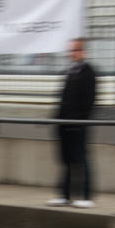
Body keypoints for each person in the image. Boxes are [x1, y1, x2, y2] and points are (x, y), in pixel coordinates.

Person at [47, 37, 97, 209]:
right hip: (64, 124)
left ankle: (86, 195)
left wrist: (78, 120)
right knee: (66, 161)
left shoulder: (88, 72)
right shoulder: (70, 72)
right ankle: (65, 195)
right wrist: (57, 120)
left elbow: (89, 100)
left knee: (80, 159)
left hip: (77, 124)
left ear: (83, 52)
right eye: (70, 50)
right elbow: (63, 99)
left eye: (75, 50)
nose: (71, 54)